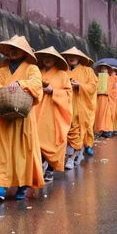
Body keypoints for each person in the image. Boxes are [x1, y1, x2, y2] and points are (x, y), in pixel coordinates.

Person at [0, 35, 44, 201]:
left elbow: (36, 83)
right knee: (2, 150)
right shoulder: (3, 70)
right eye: (10, 49)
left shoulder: (32, 68)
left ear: (24, 52)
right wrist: (3, 89)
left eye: (16, 49)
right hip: (4, 115)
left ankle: (22, 185)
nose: (12, 51)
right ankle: (0, 186)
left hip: (23, 117)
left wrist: (20, 84)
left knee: (22, 151)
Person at [33, 46, 73, 181]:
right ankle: (39, 166)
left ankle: (50, 168)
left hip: (55, 112)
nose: (47, 59)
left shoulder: (62, 75)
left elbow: (68, 94)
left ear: (55, 60)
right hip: (37, 111)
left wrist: (53, 91)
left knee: (52, 140)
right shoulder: (37, 72)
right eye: (45, 57)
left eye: (50, 57)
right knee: (37, 139)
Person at [61, 46, 97, 169]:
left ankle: (72, 157)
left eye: (74, 56)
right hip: (64, 105)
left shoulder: (87, 71)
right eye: (69, 56)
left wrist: (80, 85)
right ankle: (72, 155)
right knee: (64, 132)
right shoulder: (63, 70)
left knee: (78, 131)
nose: (71, 58)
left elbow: (93, 87)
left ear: (79, 58)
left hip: (80, 106)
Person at [94, 64, 117, 137]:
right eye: (102, 69)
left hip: (108, 100)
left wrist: (109, 93)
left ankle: (108, 130)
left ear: (108, 70)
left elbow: (115, 91)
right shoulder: (97, 78)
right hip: (99, 99)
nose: (103, 70)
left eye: (105, 69)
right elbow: (93, 87)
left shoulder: (112, 79)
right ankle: (102, 130)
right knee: (100, 115)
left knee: (107, 115)